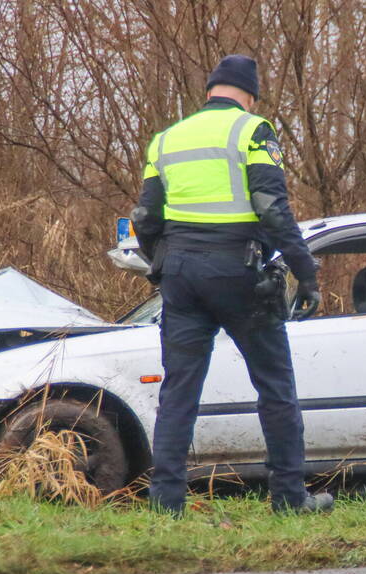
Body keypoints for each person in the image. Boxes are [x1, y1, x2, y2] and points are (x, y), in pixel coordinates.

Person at [134, 54, 331, 515]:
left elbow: (145, 217)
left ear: (210, 92)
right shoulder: (253, 130)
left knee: (178, 390)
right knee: (274, 385)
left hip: (181, 275)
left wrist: (164, 260)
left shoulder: (165, 139)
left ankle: (166, 504)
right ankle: (288, 498)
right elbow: (272, 207)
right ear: (250, 95)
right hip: (239, 272)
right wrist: (306, 270)